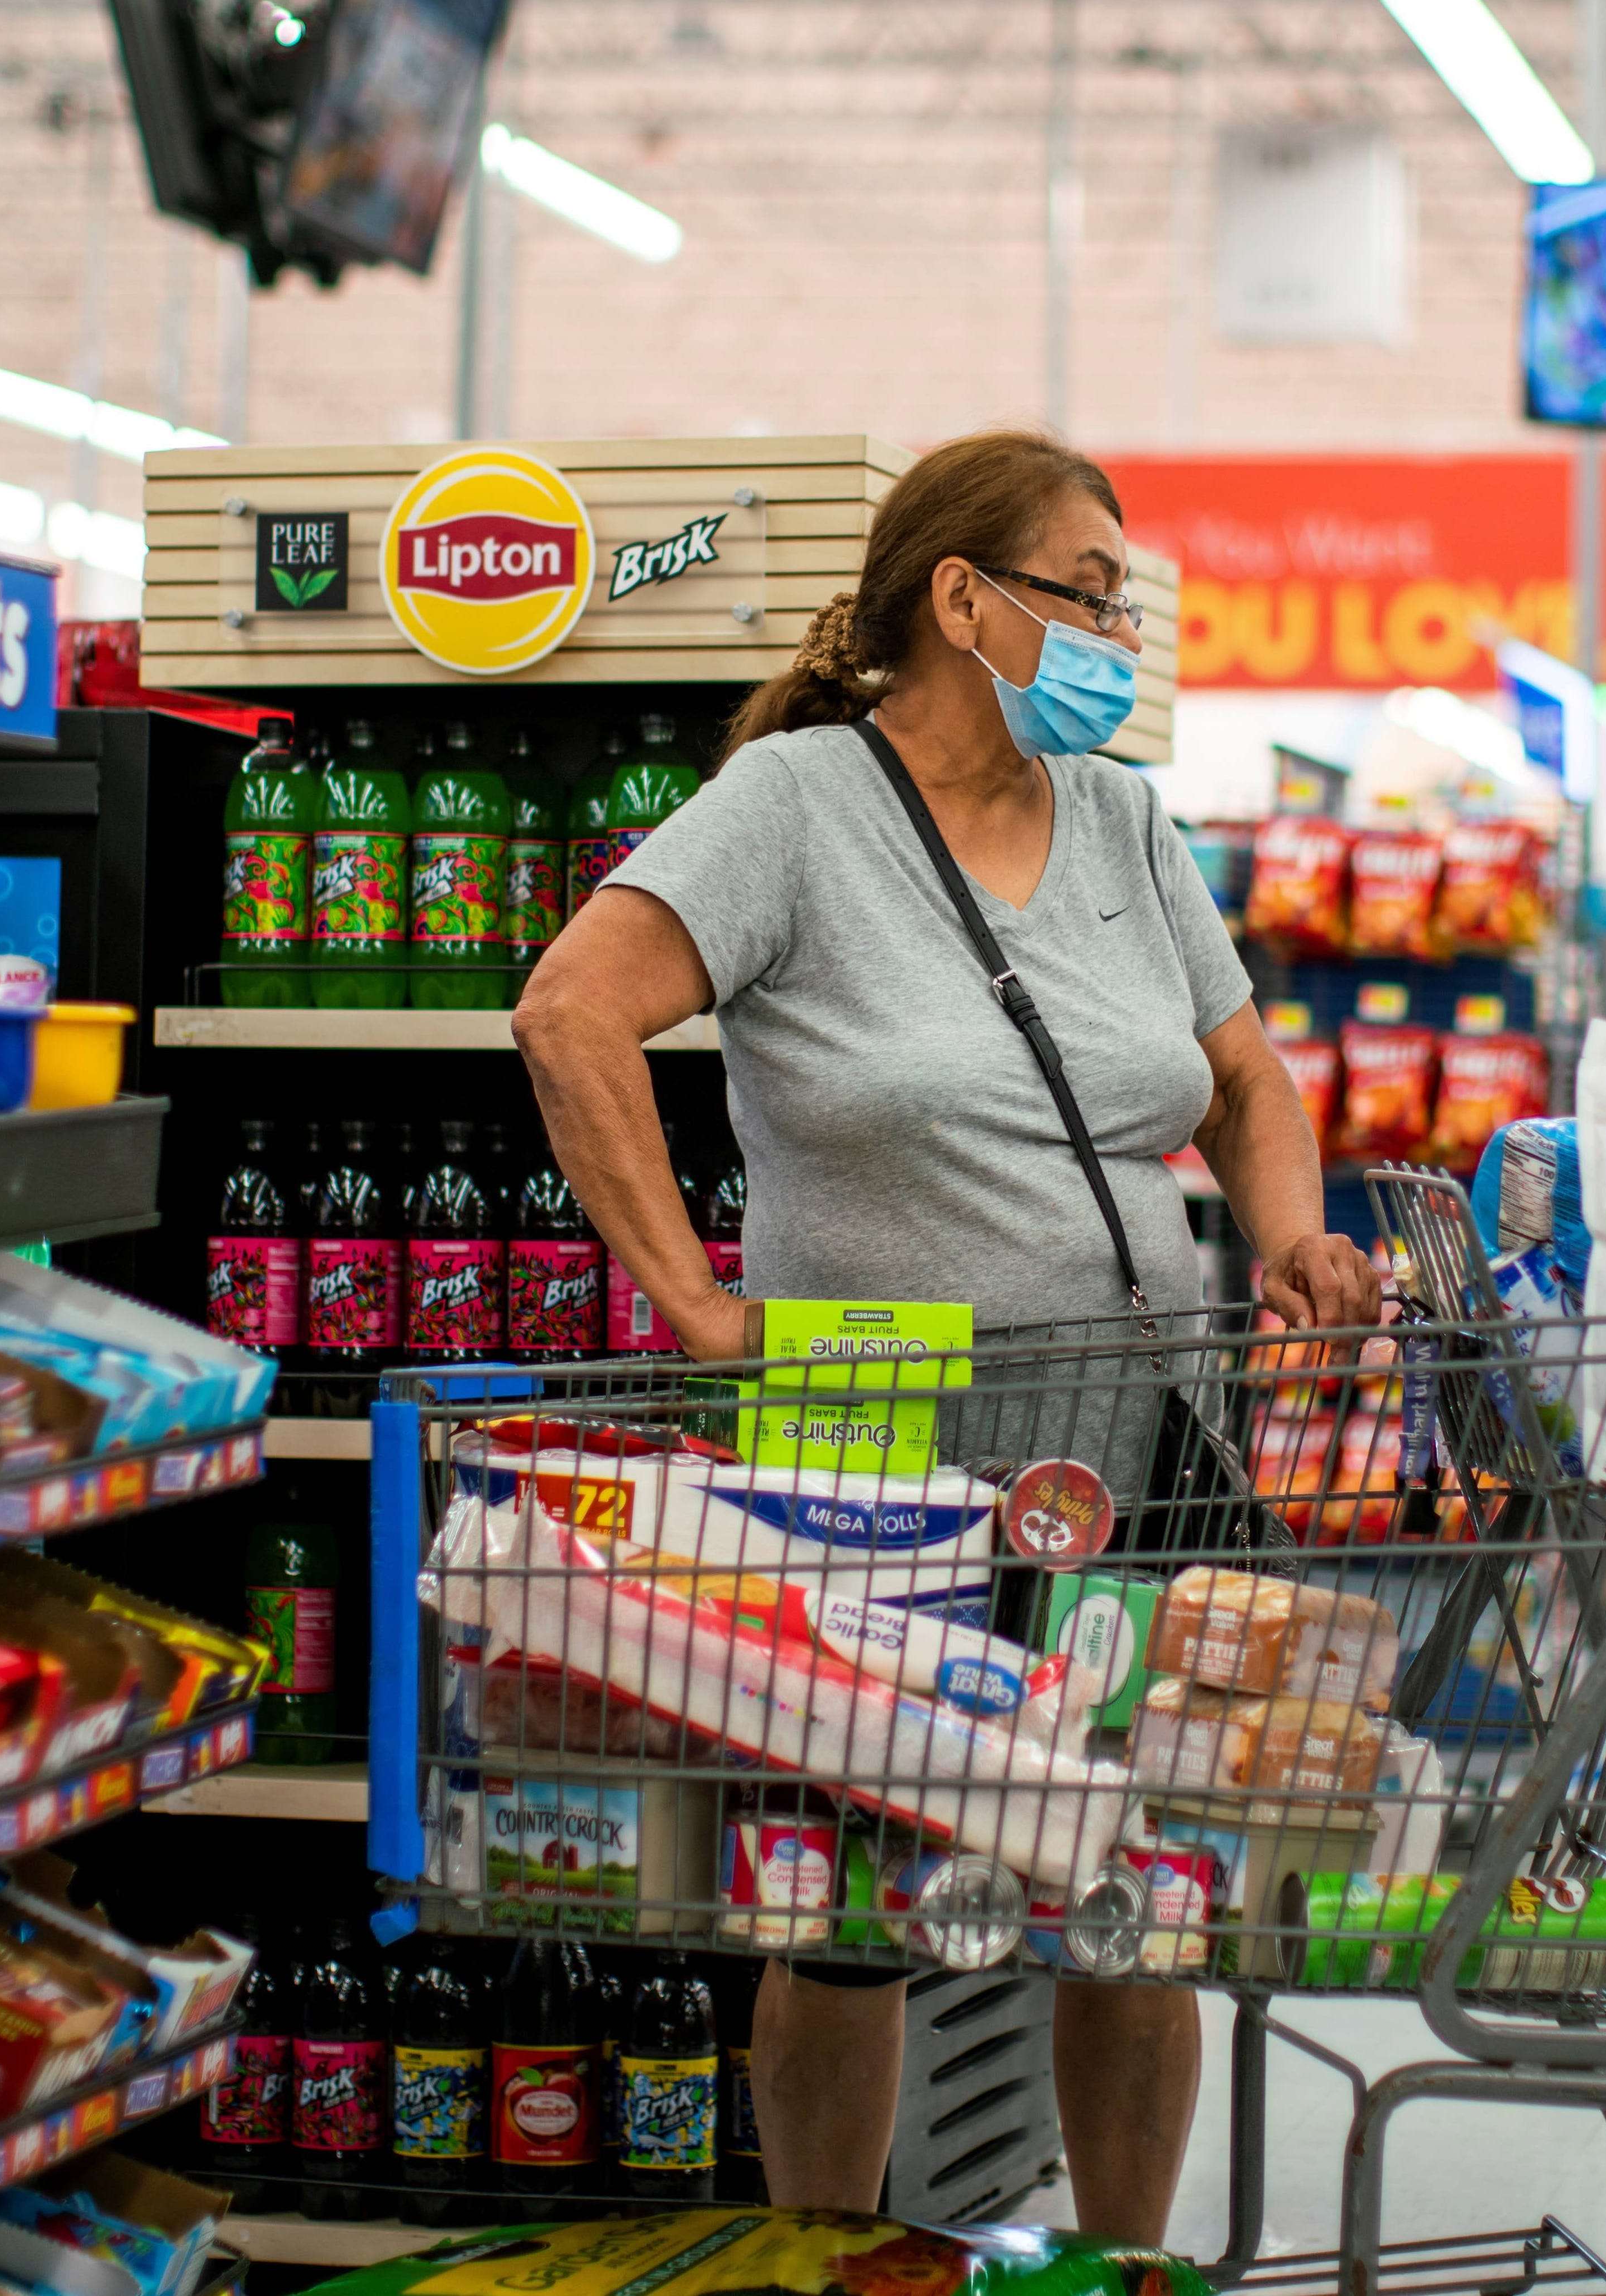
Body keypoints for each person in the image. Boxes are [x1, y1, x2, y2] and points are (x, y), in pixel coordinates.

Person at [512, 428, 1380, 2239]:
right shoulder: (797, 808)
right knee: (848, 1921)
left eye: (1122, 604)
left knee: (1129, 1904)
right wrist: (692, 1300)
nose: (1114, 636)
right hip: (873, 1462)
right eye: (1086, 594)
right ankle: (828, 2260)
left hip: (1131, 1439)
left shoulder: (1130, 823)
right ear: (962, 599)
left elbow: (1241, 1076)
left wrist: (1291, 1235)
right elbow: (572, 1013)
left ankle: (1124, 2270)